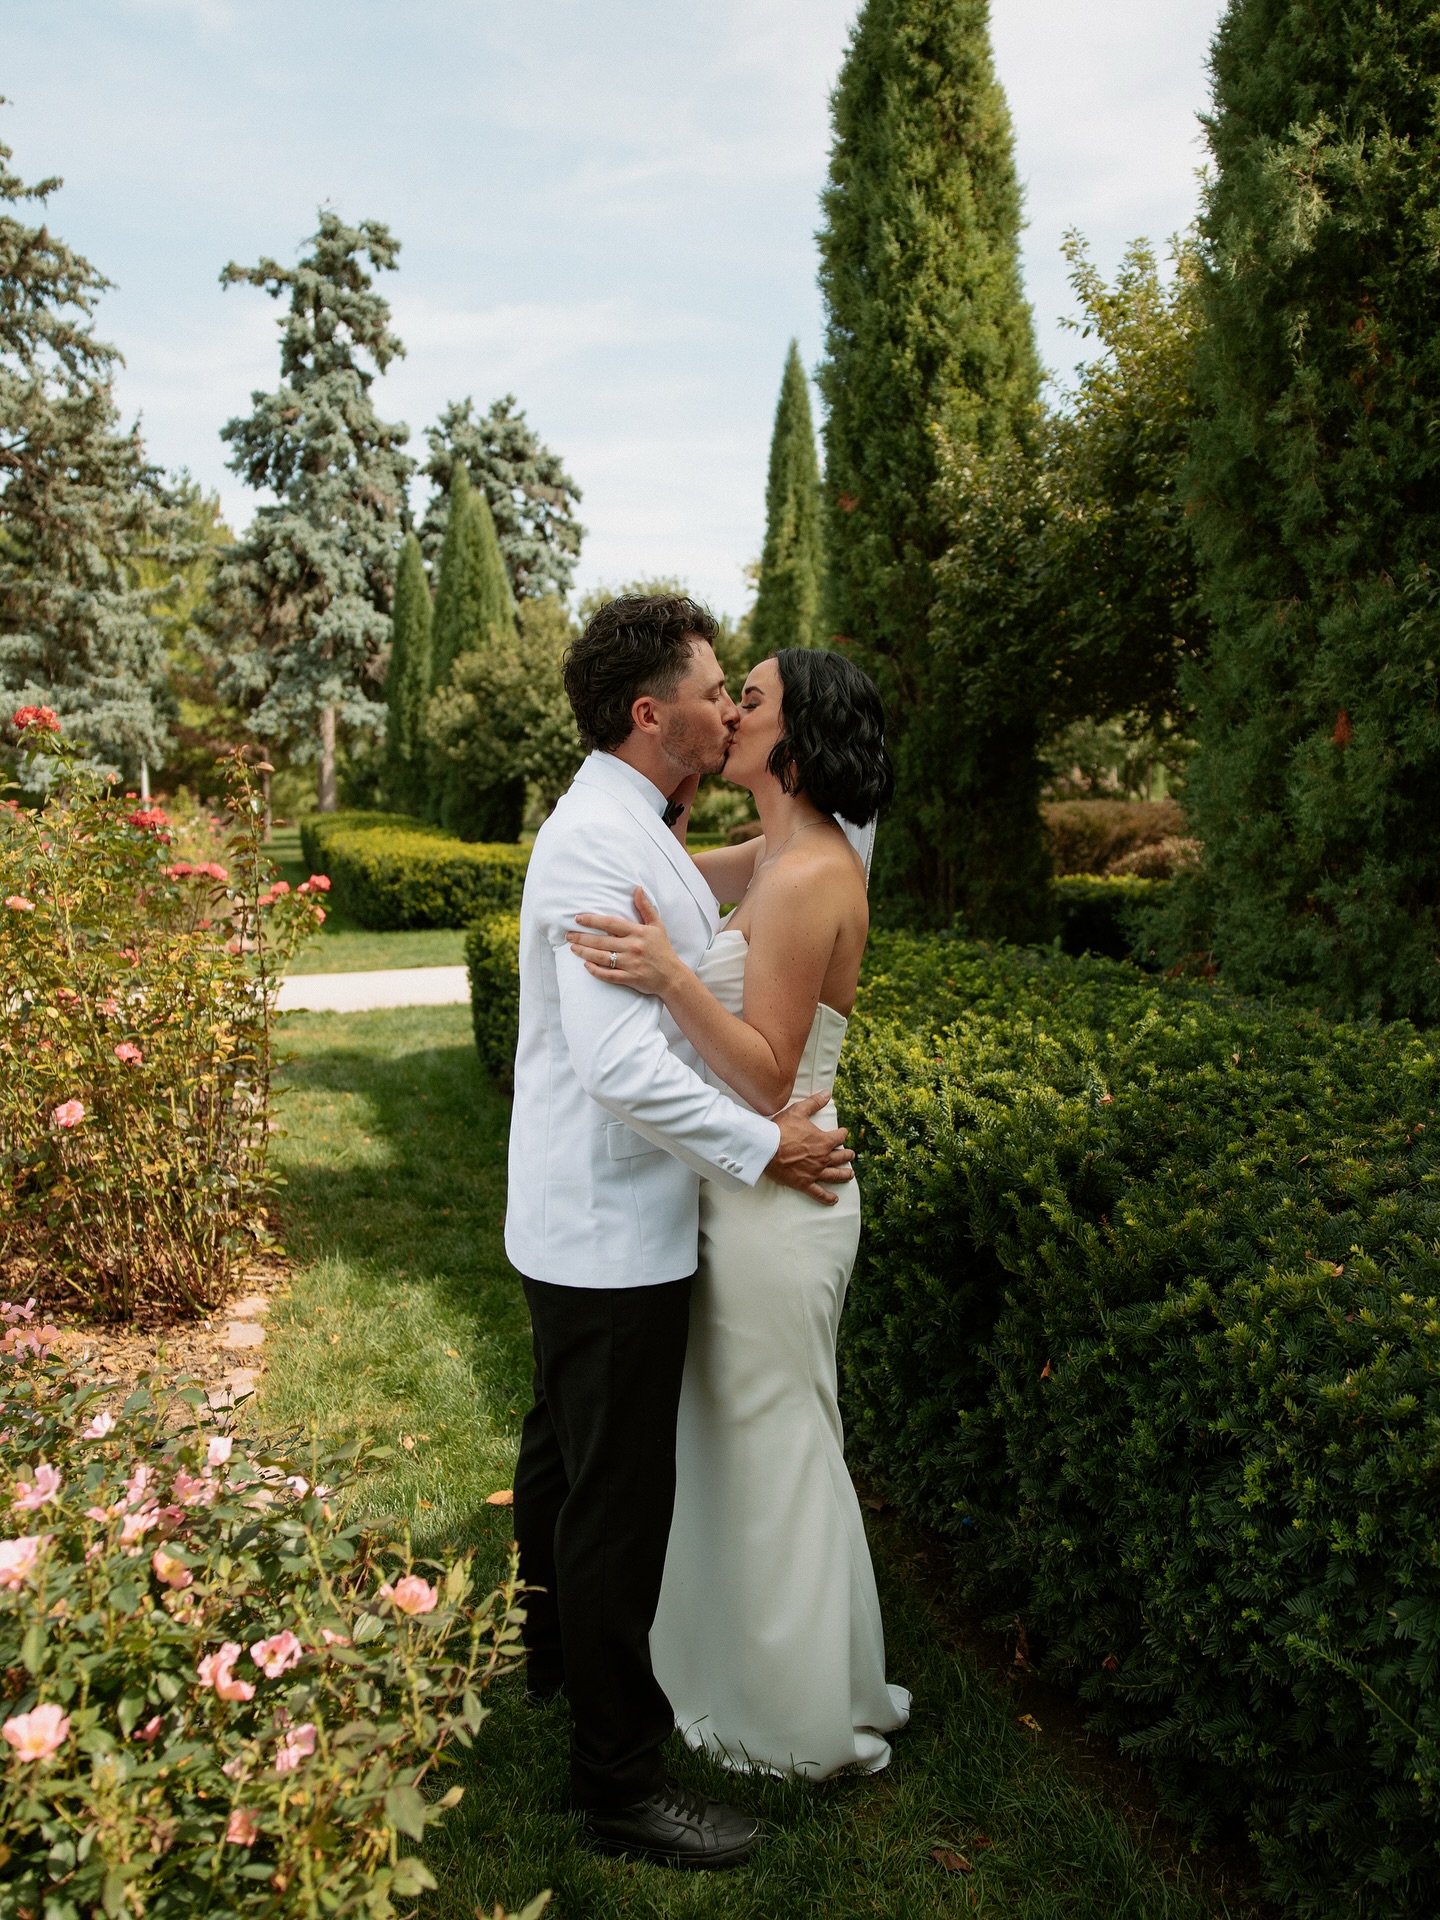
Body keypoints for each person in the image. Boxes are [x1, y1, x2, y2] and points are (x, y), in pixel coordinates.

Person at [507, 596, 856, 1871]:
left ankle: (546, 1660)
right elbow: (615, 1069)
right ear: (652, 714)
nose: (726, 708)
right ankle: (620, 1783)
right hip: (611, 1226)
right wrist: (767, 1144)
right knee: (616, 1503)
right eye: (715, 689)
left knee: (560, 1458)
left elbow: (728, 884)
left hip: (577, 1218)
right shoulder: (600, 845)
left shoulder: (627, 822)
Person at [566, 645, 911, 1779]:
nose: (729, 713)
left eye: (747, 700)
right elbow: (654, 862)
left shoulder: (812, 879)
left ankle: (798, 1718)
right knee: (742, 1447)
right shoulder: (776, 855)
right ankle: (746, 1673)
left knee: (778, 1448)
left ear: (793, 743)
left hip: (780, 1198)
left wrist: (670, 977)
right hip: (743, 1188)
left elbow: (767, 1077)